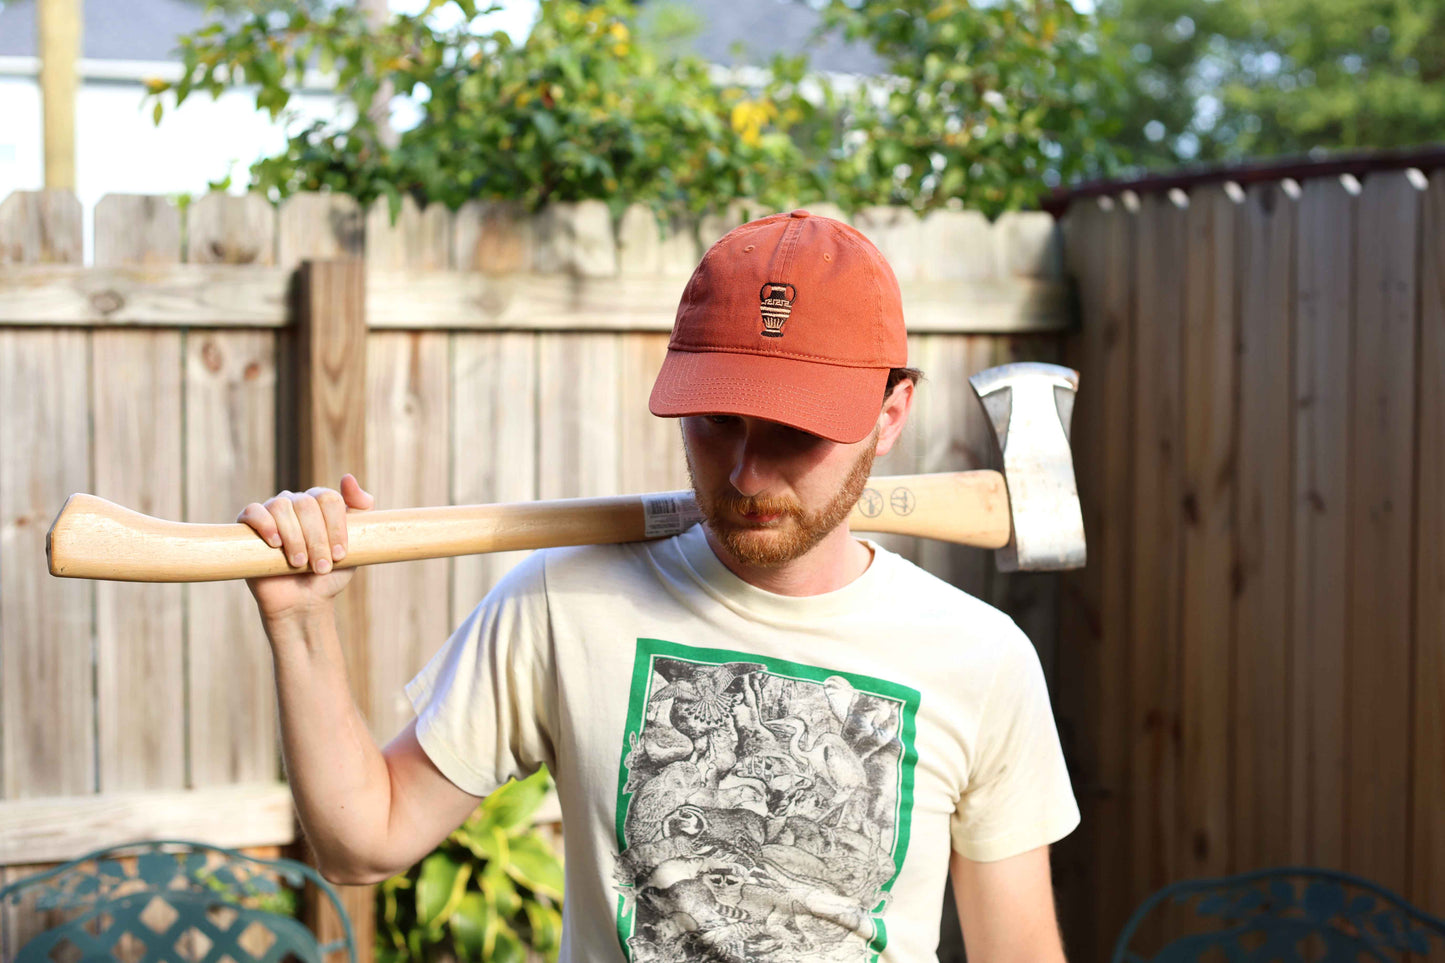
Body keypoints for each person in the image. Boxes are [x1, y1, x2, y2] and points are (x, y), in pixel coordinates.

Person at [238, 210, 1080, 963]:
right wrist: (301, 623)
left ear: (891, 412)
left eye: (793, 431)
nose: (746, 473)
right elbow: (363, 841)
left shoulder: (981, 657)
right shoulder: (560, 603)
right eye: (716, 420)